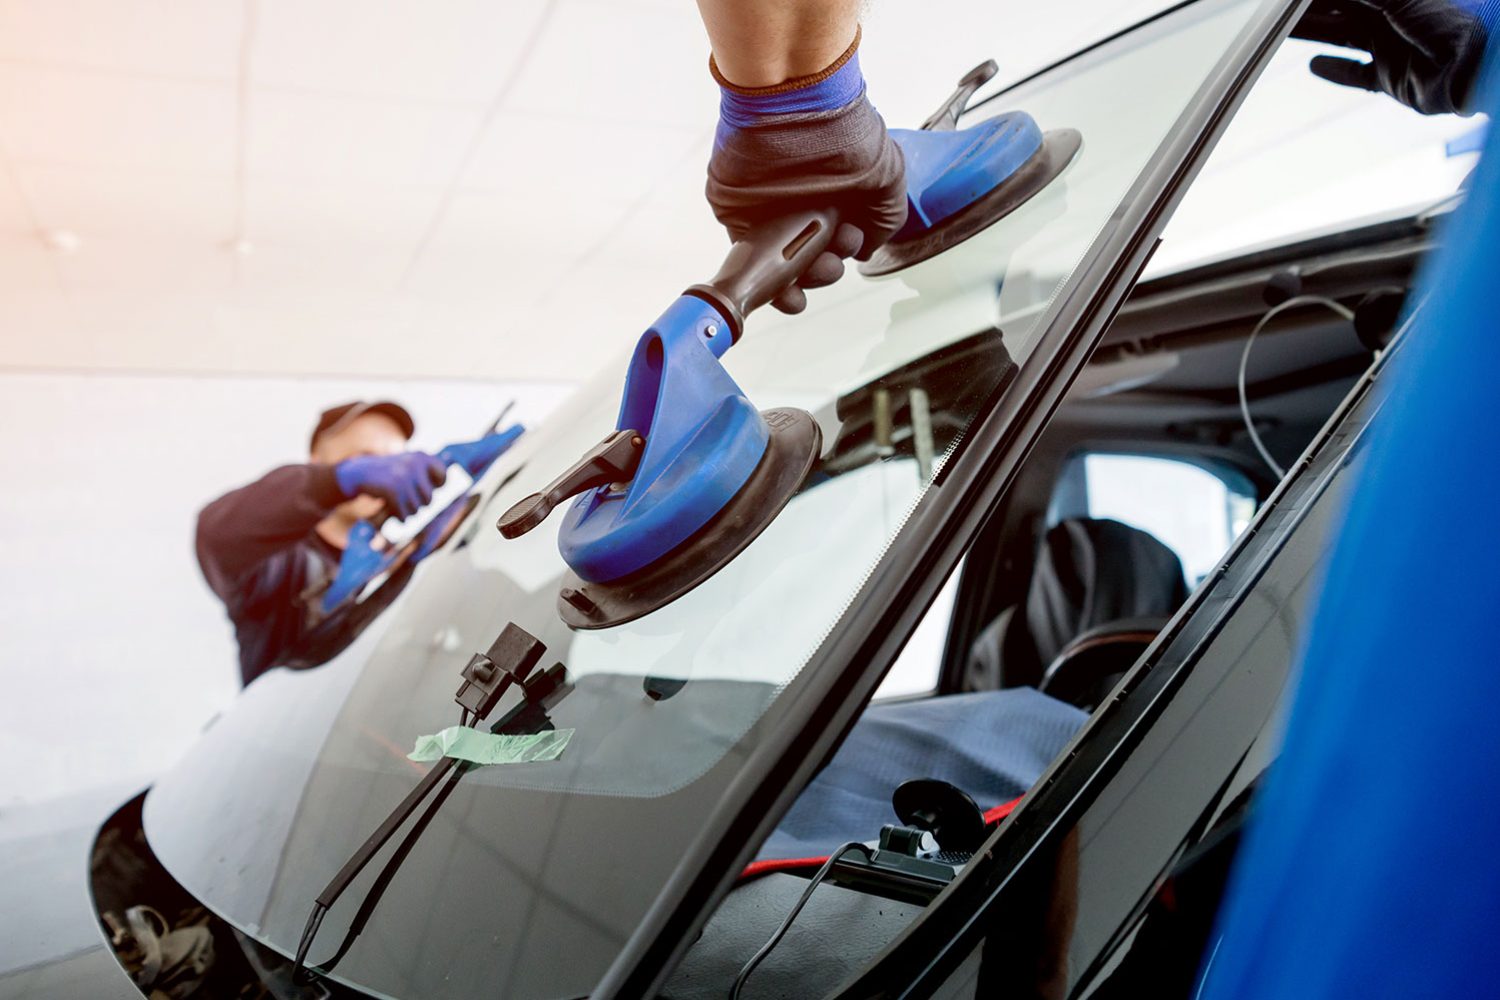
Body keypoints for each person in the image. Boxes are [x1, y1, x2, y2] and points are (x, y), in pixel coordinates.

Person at [196, 401, 453, 687]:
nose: (386, 469)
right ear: (317, 461)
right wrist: (334, 483)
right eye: (365, 458)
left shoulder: (402, 558)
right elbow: (217, 532)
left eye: (392, 459)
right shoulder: (275, 562)